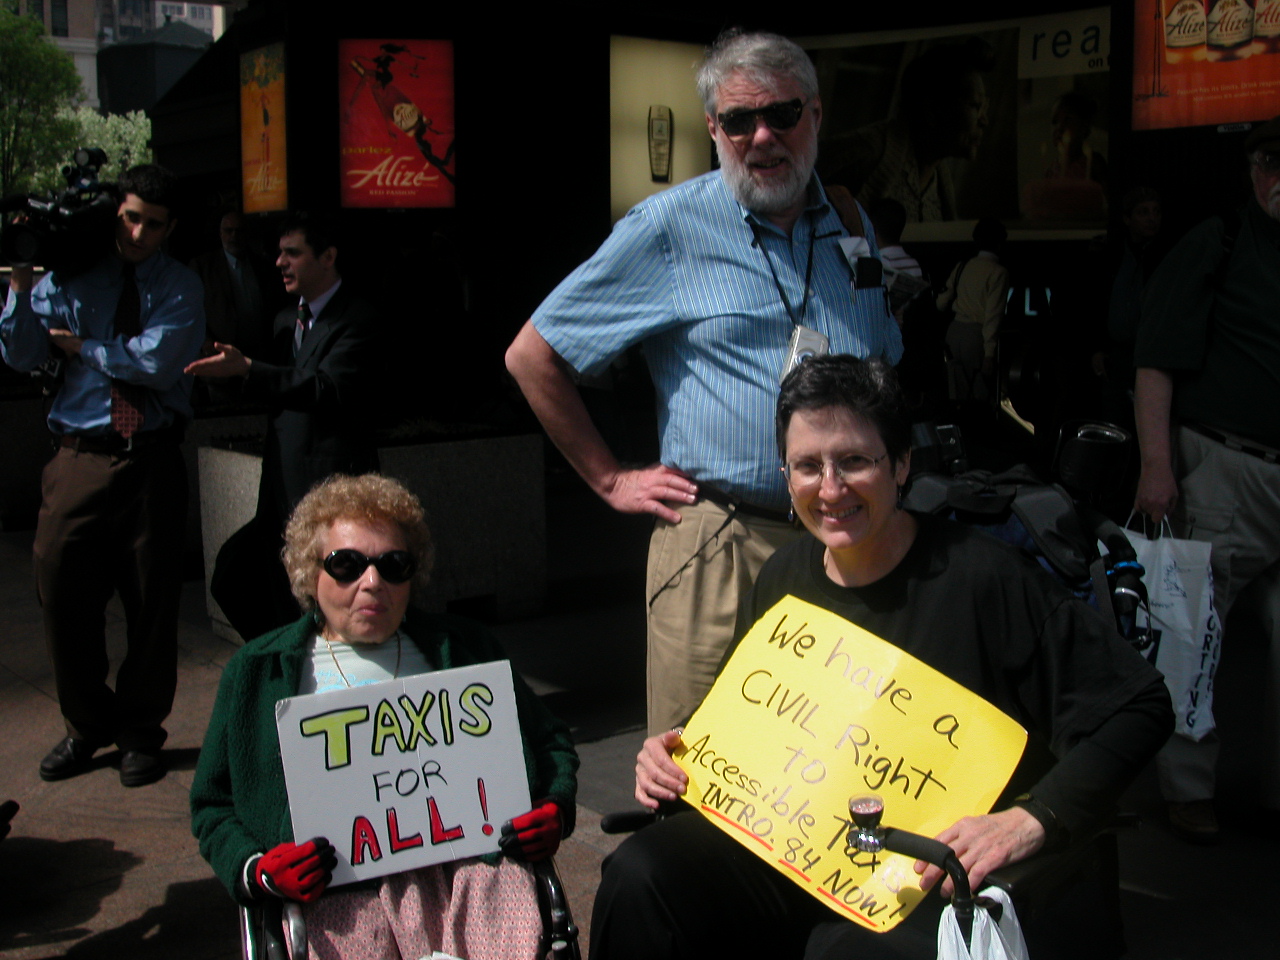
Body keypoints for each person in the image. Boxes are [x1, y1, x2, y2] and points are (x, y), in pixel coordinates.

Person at [590, 355, 1171, 960]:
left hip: (924, 878)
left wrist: (1028, 820)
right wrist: (679, 749)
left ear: (901, 466)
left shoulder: (984, 580)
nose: (831, 488)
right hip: (793, 850)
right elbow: (749, 723)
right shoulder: (783, 575)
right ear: (786, 476)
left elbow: (1139, 706)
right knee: (641, 878)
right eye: (808, 466)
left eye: (855, 462)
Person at [506, 29, 902, 736]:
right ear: (713, 129)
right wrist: (607, 480)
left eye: (781, 115)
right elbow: (533, 357)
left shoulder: (848, 222)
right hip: (721, 539)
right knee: (699, 759)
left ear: (815, 115)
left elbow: (883, 364)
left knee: (829, 756)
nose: (762, 137)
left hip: (842, 539)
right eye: (738, 121)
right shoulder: (667, 228)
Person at [190, 473, 578, 959]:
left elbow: (549, 743)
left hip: (472, 873)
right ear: (311, 572)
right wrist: (259, 870)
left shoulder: (466, 650)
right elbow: (212, 806)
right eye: (346, 565)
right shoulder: (256, 674)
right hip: (336, 893)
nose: (372, 582)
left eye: (393, 565)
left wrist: (555, 809)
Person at [0, 164, 204, 788]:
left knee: (151, 601)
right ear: (116, 210)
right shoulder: (70, 274)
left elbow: (156, 363)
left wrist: (85, 347)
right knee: (61, 589)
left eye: (153, 224)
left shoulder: (180, 286)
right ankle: (86, 725)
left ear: (170, 229)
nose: (139, 232)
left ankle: (140, 731)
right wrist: (21, 285)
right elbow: (24, 354)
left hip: (149, 457)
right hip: (79, 455)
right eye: (131, 217)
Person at [1133, 116, 1280, 843]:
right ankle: (1189, 790)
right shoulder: (1218, 243)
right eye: (1267, 163)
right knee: (1195, 631)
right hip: (1227, 468)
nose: (1277, 180)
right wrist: (1157, 466)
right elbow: (1155, 359)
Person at [187, 211, 380, 641]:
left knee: (324, 603)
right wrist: (231, 373)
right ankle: (284, 663)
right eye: (278, 252)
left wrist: (251, 370)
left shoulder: (358, 319)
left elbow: (327, 388)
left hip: (329, 490)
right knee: (235, 576)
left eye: (292, 253)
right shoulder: (283, 321)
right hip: (278, 490)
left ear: (327, 257)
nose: (279, 262)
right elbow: (275, 387)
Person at [826, 40, 993, 223]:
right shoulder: (868, 152)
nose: (983, 121)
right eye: (975, 106)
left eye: (984, 108)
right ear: (933, 111)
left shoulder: (940, 185)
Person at [936, 216, 1009, 404]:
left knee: (955, 393)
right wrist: (990, 354)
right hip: (976, 337)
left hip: (953, 334)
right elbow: (993, 316)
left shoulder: (962, 266)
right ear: (1000, 244)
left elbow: (941, 302)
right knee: (978, 395)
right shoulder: (998, 272)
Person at [188, 210, 276, 364]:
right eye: (229, 231)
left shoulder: (262, 266)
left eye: (239, 231)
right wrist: (205, 341)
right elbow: (190, 309)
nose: (234, 236)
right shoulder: (203, 267)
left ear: (247, 234)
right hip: (220, 354)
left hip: (260, 355)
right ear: (220, 233)